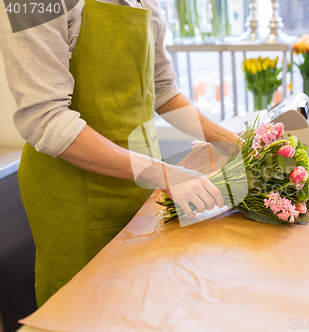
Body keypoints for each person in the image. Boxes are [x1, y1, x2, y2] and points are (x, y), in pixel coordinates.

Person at [0, 0, 238, 306]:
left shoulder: (144, 3)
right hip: (75, 195)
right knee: (86, 308)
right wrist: (165, 173)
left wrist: (231, 141)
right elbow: (45, 118)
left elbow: (163, 89)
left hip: (143, 184)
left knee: (141, 301)